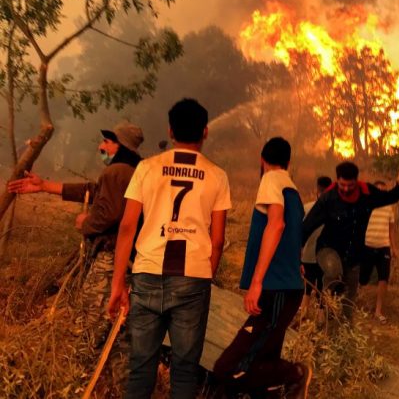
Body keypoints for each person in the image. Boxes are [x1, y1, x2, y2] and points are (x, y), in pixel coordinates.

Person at [107, 98, 231, 399]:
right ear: (205, 132)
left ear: (170, 130)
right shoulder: (217, 175)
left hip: (147, 273)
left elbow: (126, 226)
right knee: (185, 371)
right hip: (193, 279)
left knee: (141, 369)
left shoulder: (147, 168)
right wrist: (205, 276)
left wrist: (117, 283)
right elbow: (217, 239)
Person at [8, 121, 144, 341]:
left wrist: (86, 223)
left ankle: (87, 362)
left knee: (92, 316)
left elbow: (108, 214)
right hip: (128, 258)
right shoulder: (132, 171)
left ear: (122, 146)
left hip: (111, 257)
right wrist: (44, 186)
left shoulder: (116, 171)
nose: (101, 146)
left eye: (107, 142)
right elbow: (94, 191)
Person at [214, 137, 311, 399]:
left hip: (274, 289)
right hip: (285, 288)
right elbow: (292, 236)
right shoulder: (293, 191)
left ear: (262, 159)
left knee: (228, 368)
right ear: (289, 162)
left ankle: (295, 374)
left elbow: (276, 226)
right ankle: (277, 388)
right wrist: (295, 263)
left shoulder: (271, 179)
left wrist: (256, 282)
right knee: (263, 362)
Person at [302, 161, 399, 320]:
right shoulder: (328, 199)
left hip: (353, 254)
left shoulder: (367, 194)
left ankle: (345, 326)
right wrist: (296, 253)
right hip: (327, 249)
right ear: (337, 180)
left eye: (350, 185)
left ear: (356, 182)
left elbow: (389, 197)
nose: (345, 189)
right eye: (342, 185)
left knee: (350, 294)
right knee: (333, 271)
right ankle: (324, 311)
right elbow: (307, 226)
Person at [359, 180, 398, 324]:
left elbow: (391, 230)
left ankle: (378, 311)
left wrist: (394, 248)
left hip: (384, 247)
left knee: (384, 279)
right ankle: (355, 306)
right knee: (362, 279)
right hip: (367, 246)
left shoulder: (389, 208)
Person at [299, 176, 332, 320]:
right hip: (324, 258)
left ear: (317, 190)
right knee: (322, 292)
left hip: (307, 256)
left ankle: (303, 320)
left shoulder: (307, 208)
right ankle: (319, 324)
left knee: (306, 291)